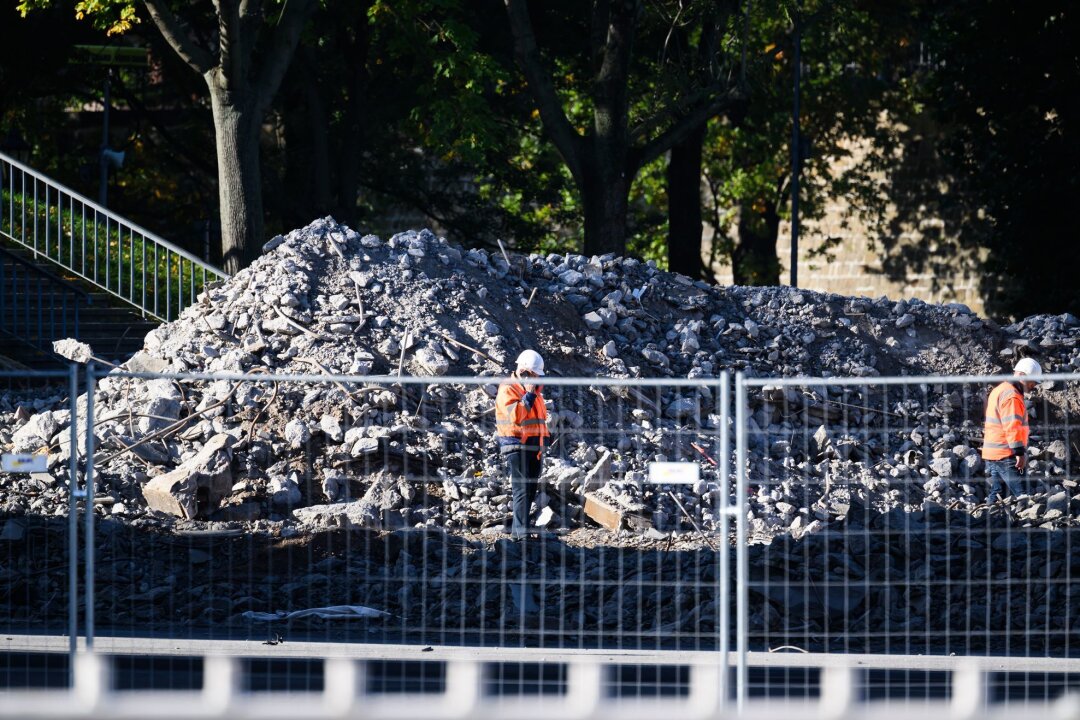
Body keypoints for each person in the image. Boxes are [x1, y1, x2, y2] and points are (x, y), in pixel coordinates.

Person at [495, 349, 550, 538]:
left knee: (529, 490)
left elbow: (540, 421)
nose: (537, 380)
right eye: (534, 375)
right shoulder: (508, 388)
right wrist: (528, 394)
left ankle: (521, 532)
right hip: (516, 445)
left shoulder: (535, 393)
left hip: (534, 447)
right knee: (521, 490)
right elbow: (516, 416)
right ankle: (520, 536)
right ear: (525, 371)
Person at [982, 357, 1041, 501]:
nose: (1034, 385)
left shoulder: (1000, 389)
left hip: (992, 453)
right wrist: (1019, 452)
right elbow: (1012, 426)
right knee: (1024, 495)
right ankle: (1031, 521)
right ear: (1021, 375)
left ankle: (988, 520)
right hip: (1006, 453)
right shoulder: (1012, 396)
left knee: (998, 494)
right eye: (1032, 380)